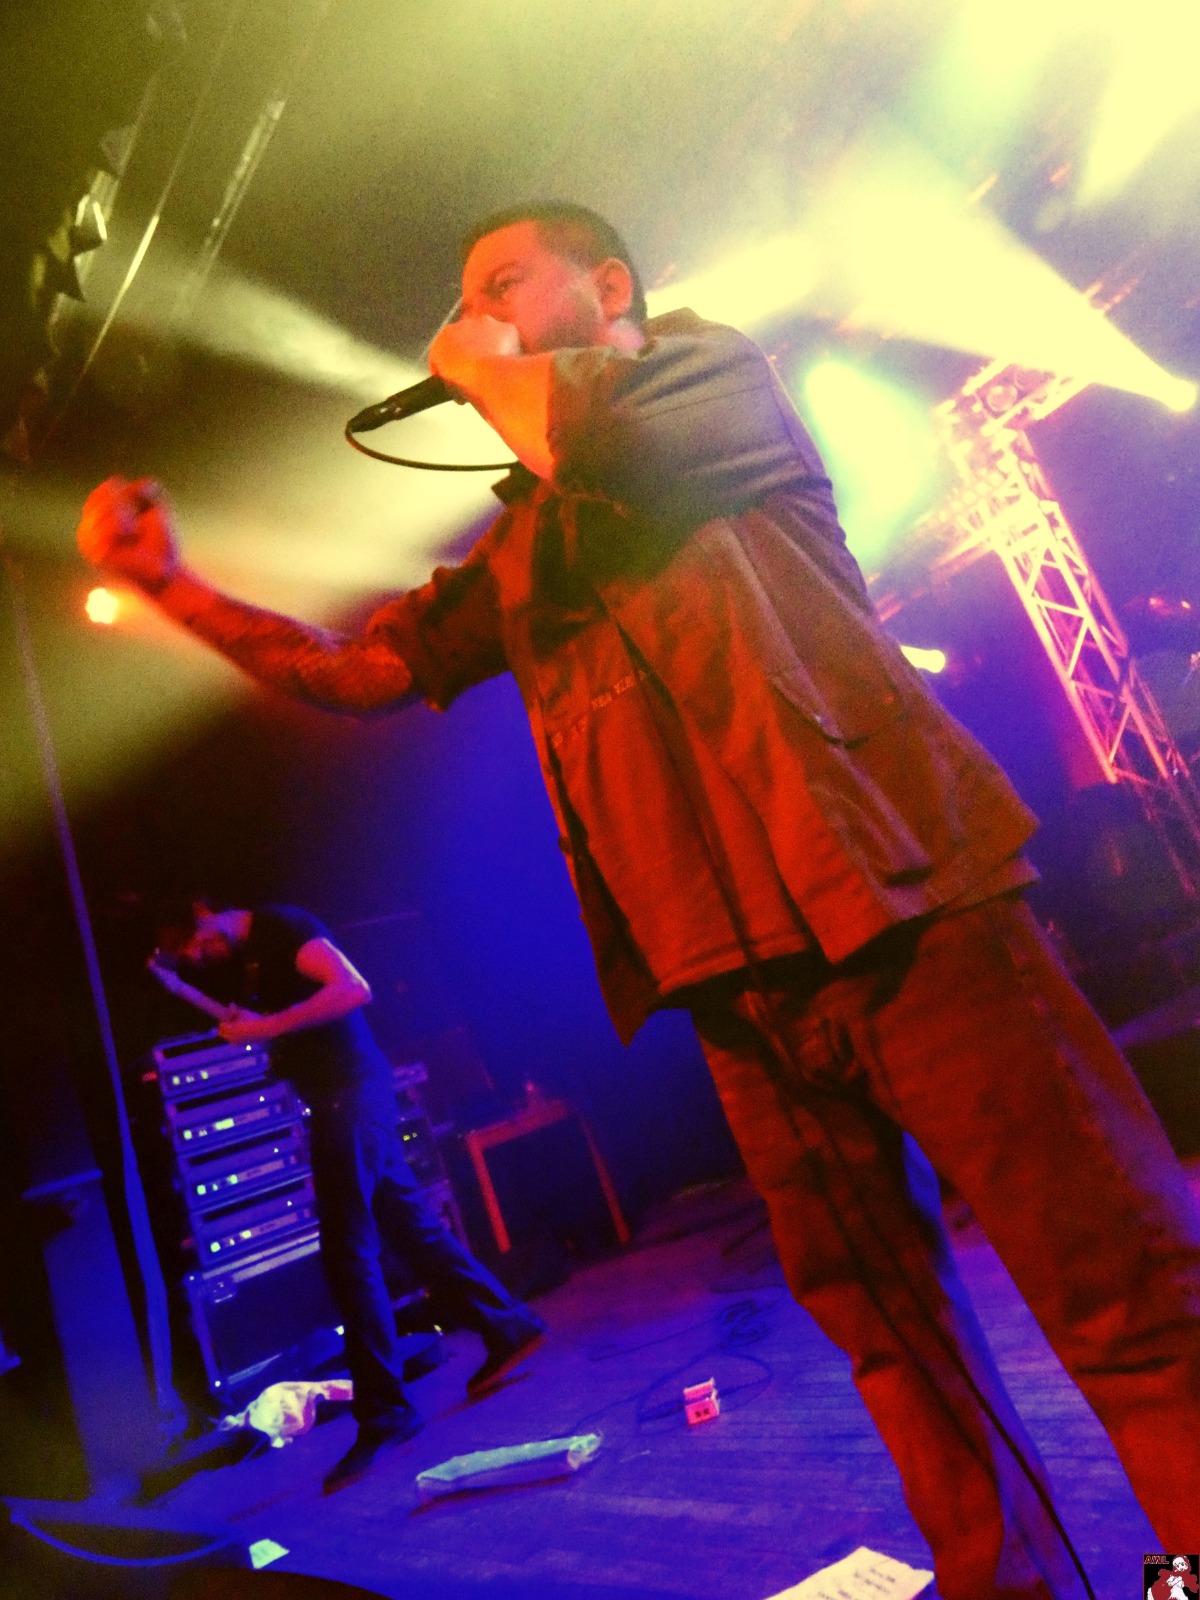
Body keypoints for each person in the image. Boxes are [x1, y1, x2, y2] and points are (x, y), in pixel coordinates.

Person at [80, 202, 1200, 1590]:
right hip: (736, 990)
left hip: (913, 906)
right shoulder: (523, 548)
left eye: (502, 284)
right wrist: (176, 589)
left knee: (1121, 1289)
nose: (470, 317)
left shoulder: (706, 377)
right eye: (462, 300)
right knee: (893, 1341)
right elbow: (359, 672)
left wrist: (486, 366)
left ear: (609, 286)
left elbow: (606, 437)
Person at [156, 898, 546, 1493]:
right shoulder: (258, 960)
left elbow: (353, 989)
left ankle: (386, 1412)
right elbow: (285, 1023)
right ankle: (508, 1326)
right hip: (343, 1099)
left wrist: (267, 1027)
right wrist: (213, 1005)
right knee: (413, 1230)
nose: (201, 955)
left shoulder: (285, 927)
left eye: (200, 941)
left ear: (205, 910)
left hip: (351, 1098)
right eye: (191, 957)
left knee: (347, 1255)